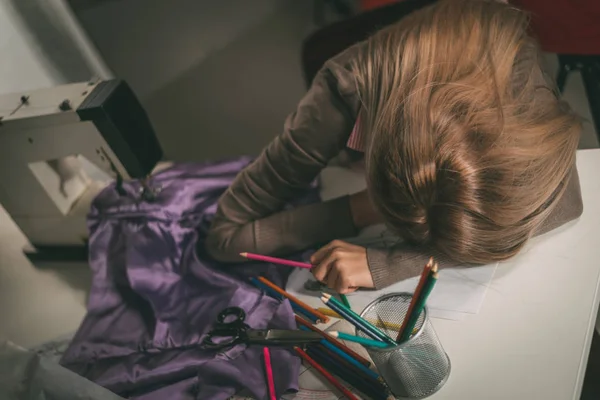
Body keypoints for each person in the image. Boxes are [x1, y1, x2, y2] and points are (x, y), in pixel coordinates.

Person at [205, 0, 583, 294]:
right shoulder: (340, 91)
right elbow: (224, 238)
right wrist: (363, 208)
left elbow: (567, 203)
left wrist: (393, 262)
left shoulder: (510, 53)